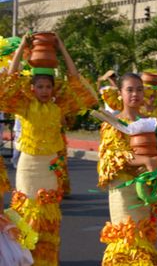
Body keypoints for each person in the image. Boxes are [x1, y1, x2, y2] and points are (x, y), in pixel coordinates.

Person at [0, 33, 98, 265]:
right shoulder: (24, 105)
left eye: (48, 86)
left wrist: (61, 47)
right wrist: (23, 45)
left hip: (50, 166)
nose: (44, 90)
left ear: (54, 89)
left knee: (49, 218)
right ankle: (25, 259)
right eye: (40, 86)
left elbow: (75, 79)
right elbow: (8, 81)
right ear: (32, 88)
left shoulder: (59, 106)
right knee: (28, 216)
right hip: (28, 167)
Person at [97, 73, 157, 265]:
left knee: (144, 240)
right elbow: (110, 158)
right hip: (123, 191)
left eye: (139, 89)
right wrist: (145, 160)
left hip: (146, 190)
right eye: (130, 89)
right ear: (120, 93)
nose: (135, 94)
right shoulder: (112, 123)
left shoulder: (151, 123)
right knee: (127, 242)